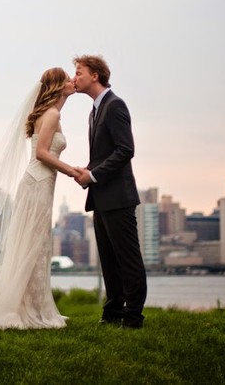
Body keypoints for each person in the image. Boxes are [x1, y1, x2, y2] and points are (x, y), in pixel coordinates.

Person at [0, 67, 83, 329]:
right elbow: (41, 153)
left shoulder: (53, 114)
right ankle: (26, 309)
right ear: (57, 86)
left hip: (41, 183)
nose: (72, 81)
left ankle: (35, 305)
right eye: (67, 79)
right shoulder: (51, 114)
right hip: (38, 182)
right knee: (33, 245)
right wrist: (72, 171)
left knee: (38, 244)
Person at [72, 54, 147, 329]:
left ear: (95, 75)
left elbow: (126, 150)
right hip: (101, 196)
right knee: (108, 260)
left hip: (119, 198)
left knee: (128, 259)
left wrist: (93, 175)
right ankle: (112, 313)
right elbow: (104, 155)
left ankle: (133, 317)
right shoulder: (94, 111)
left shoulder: (115, 105)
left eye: (79, 72)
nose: (74, 77)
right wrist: (87, 173)